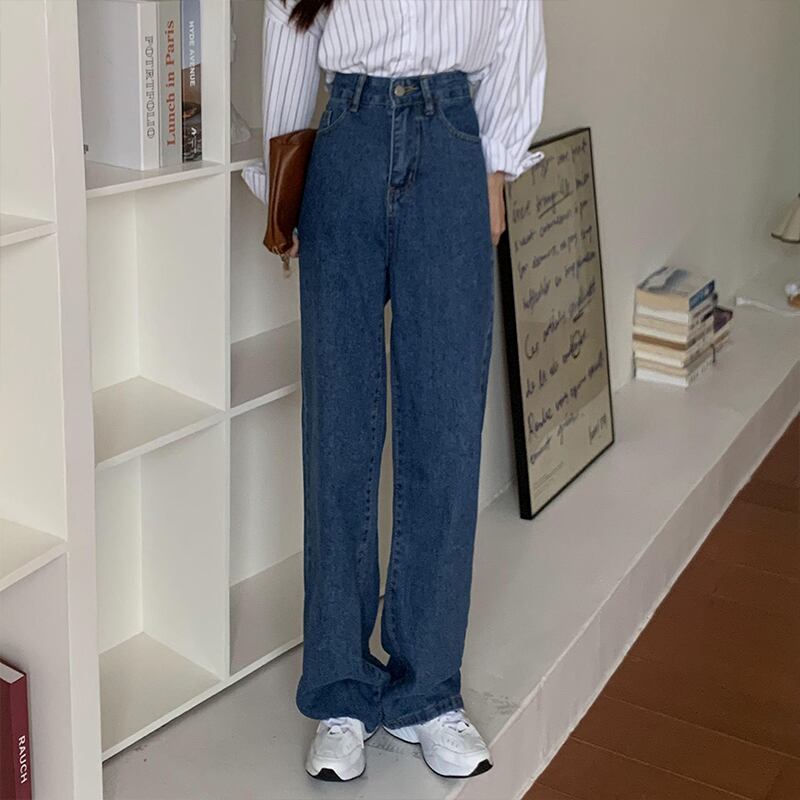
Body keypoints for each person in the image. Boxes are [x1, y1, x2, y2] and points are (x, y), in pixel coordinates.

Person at [242, 0, 546, 783]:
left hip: (453, 141)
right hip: (346, 136)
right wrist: (284, 182)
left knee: (446, 425)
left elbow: (516, 18)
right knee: (338, 429)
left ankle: (427, 692)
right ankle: (341, 691)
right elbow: (287, 21)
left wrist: (497, 171)